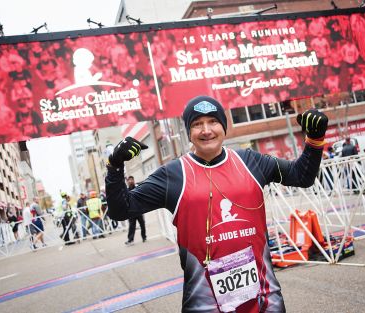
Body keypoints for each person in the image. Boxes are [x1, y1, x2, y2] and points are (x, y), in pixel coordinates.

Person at [105, 95, 328, 312]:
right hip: (205, 302)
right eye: (197, 124)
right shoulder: (172, 175)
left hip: (264, 298)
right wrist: (115, 167)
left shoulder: (252, 161)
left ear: (223, 126)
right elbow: (121, 210)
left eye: (213, 121)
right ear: (189, 133)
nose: (206, 130)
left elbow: (301, 176)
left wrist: (315, 139)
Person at [124, 176, 147, 245]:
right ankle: (130, 240)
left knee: (142, 224)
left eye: (132, 180)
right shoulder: (126, 190)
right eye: (129, 180)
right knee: (131, 226)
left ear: (133, 180)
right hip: (131, 211)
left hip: (139, 210)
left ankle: (144, 237)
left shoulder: (137, 187)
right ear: (127, 182)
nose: (130, 181)